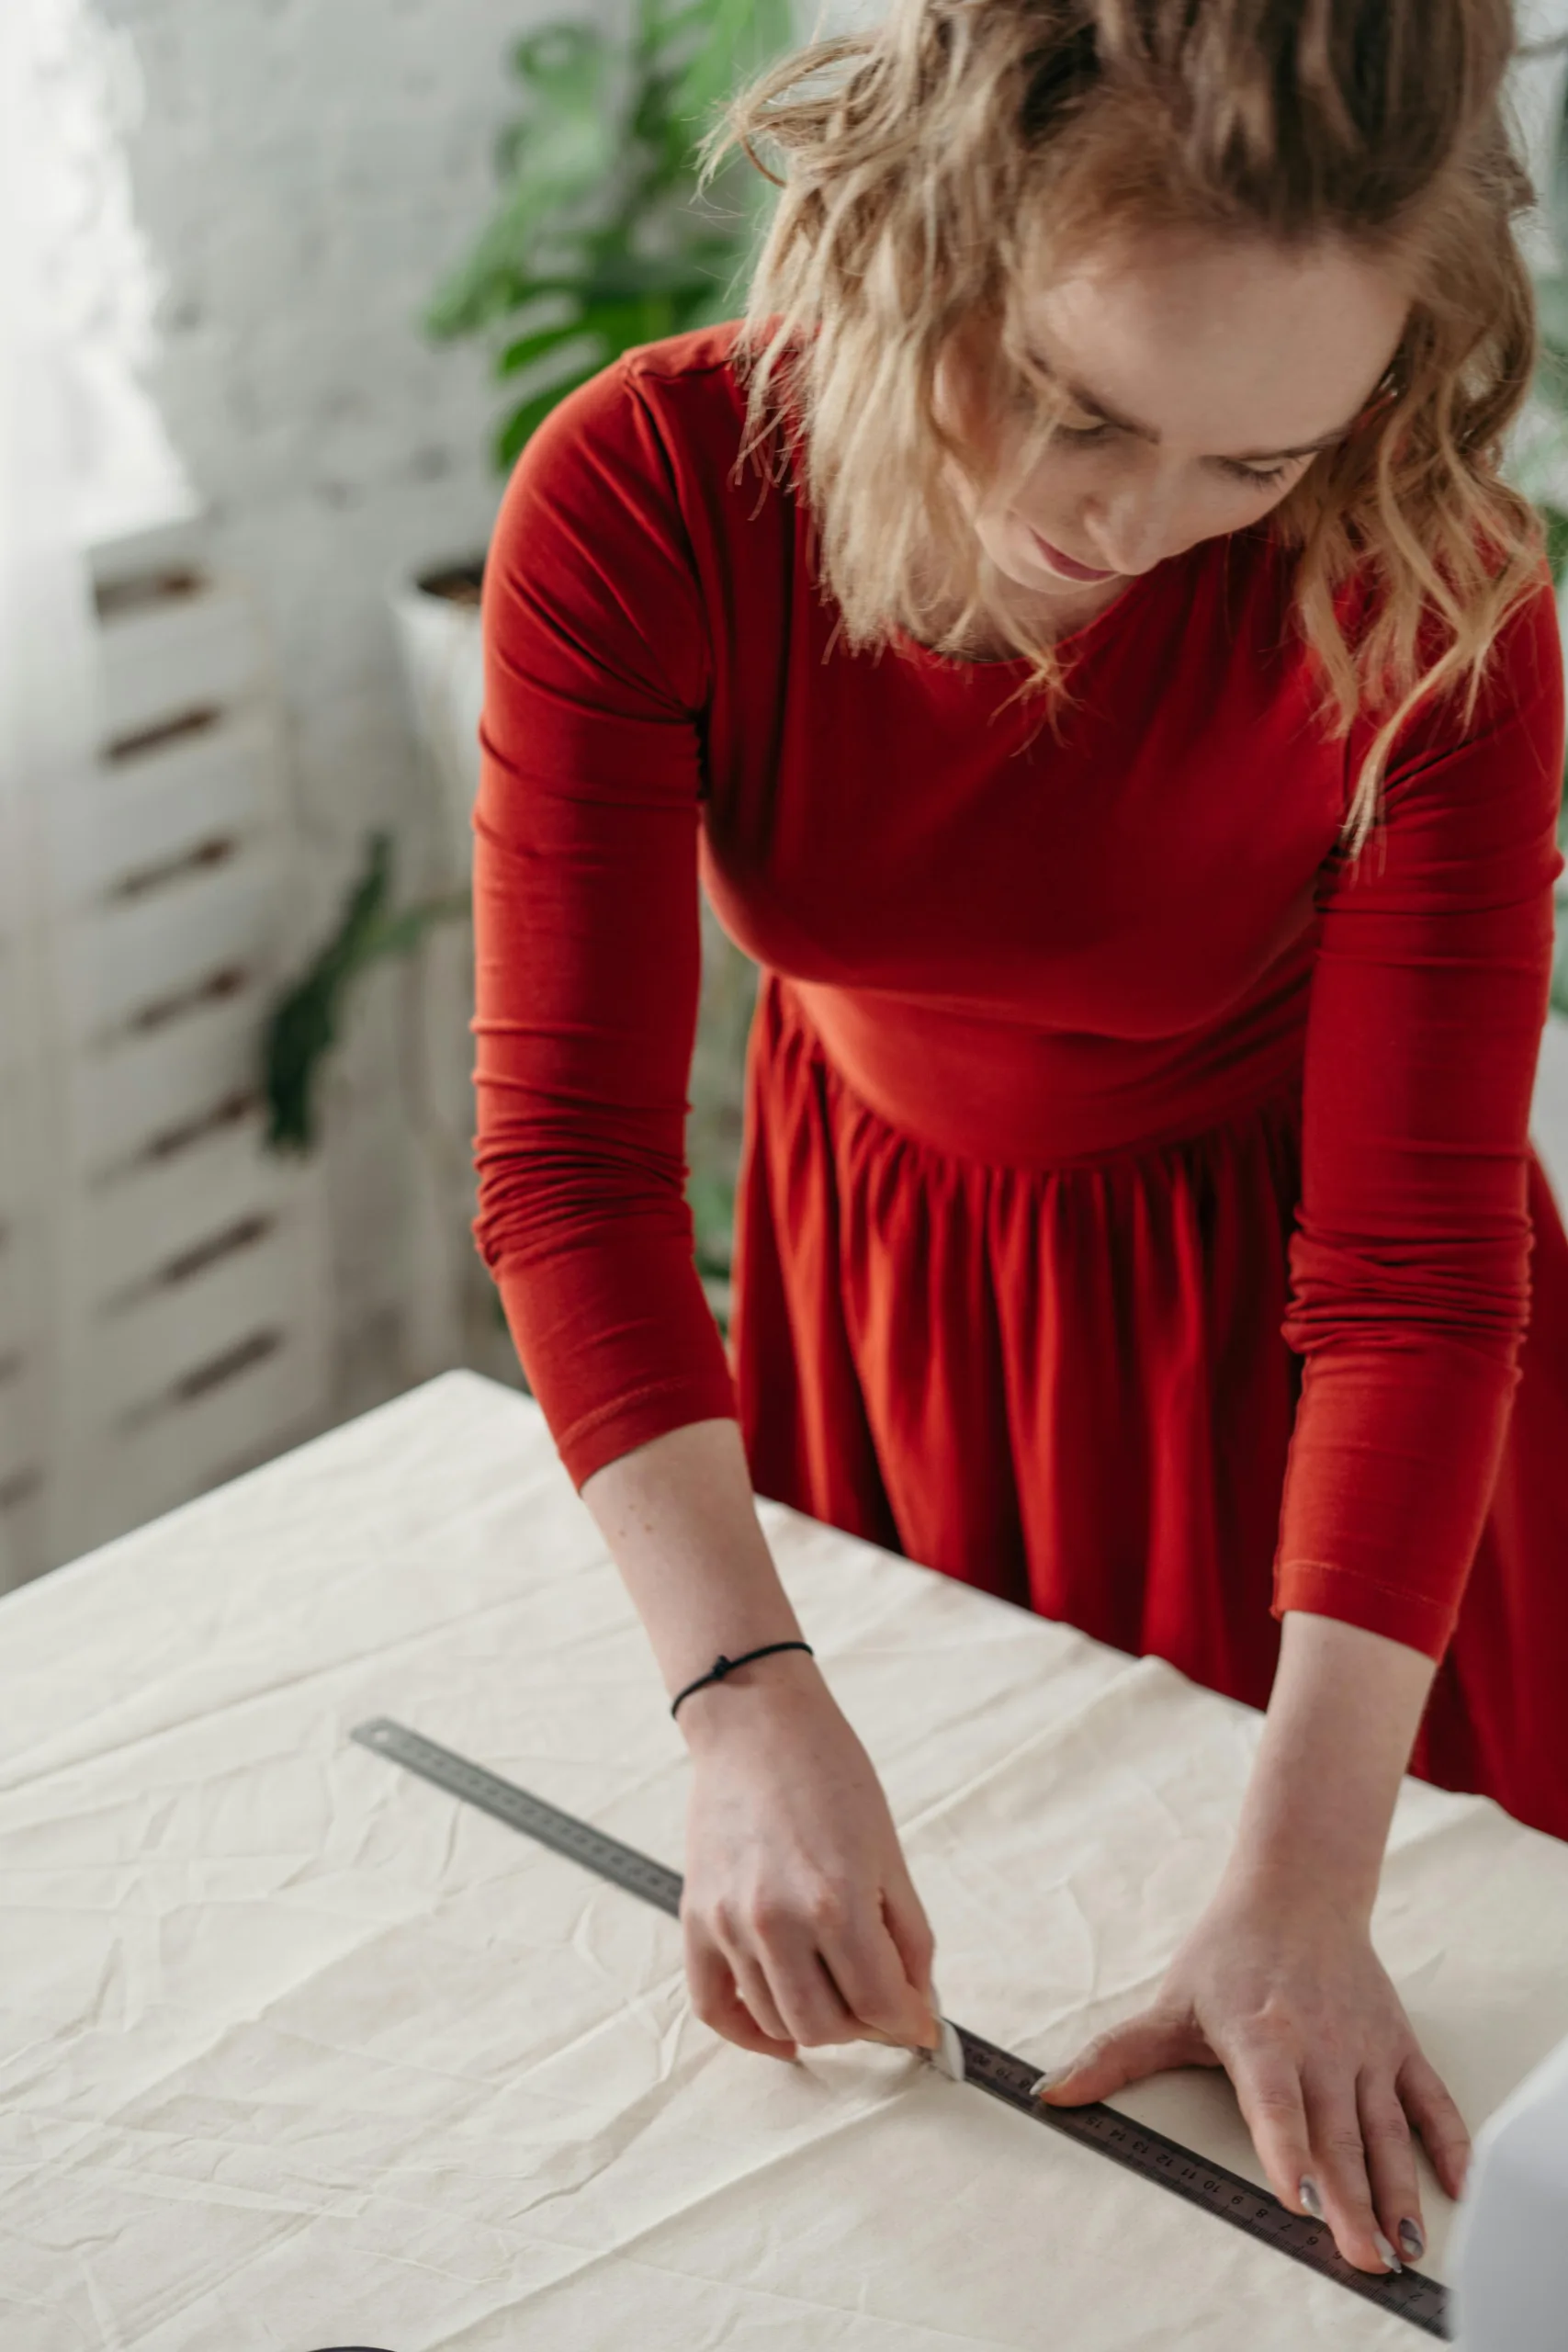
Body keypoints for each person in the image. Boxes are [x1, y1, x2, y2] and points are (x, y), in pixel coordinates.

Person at [469, 0, 1568, 2285]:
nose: (1130, 529)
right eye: (1078, 410)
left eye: (1254, 460)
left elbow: (1412, 1272)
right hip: (890, 1292)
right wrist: (742, 1702)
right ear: (923, 240)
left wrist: (1306, 1888)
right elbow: (569, 1152)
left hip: (1313, 1362)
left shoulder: (1431, 586)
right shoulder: (652, 493)